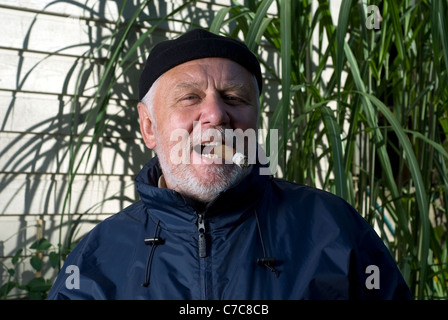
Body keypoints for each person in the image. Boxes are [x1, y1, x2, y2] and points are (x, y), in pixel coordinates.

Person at [47, 29, 411, 300]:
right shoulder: (98, 256)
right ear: (148, 126)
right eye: (189, 97)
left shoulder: (335, 229)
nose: (217, 115)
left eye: (234, 98)